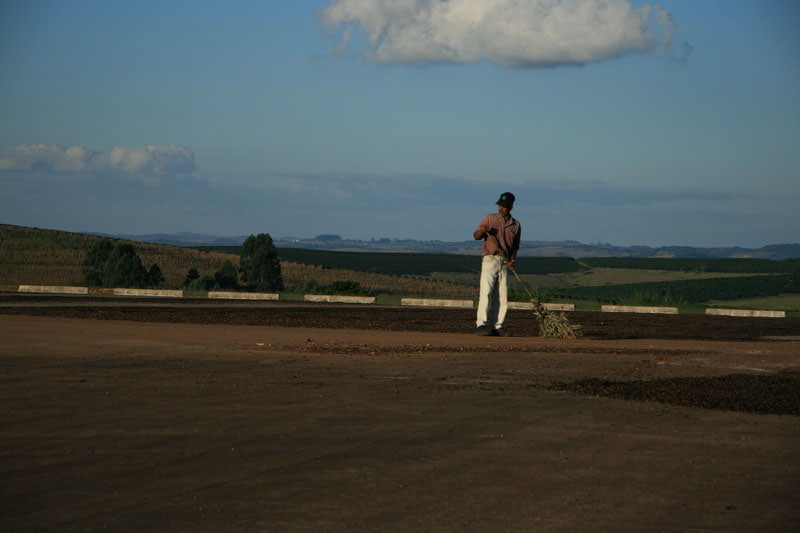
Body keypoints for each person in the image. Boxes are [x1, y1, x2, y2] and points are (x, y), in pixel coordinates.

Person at [473, 192, 521, 336]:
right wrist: (482, 231)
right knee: (486, 292)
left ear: (511, 207)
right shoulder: (489, 219)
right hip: (490, 259)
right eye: (500, 205)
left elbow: (515, 246)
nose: (501, 208)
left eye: (504, 206)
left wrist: (512, 261)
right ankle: (481, 324)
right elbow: (476, 236)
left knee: (502, 295)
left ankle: (498, 325)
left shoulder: (516, 225)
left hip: (504, 262)